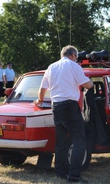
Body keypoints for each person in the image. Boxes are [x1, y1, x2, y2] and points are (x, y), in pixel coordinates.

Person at [34, 45, 93, 183]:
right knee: (79, 139)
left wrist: (40, 100)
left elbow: (42, 90)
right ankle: (74, 175)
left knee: (60, 141)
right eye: (76, 57)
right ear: (73, 55)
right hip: (70, 106)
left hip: (56, 106)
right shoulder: (74, 66)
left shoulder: (51, 67)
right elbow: (87, 85)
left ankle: (60, 172)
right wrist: (91, 84)